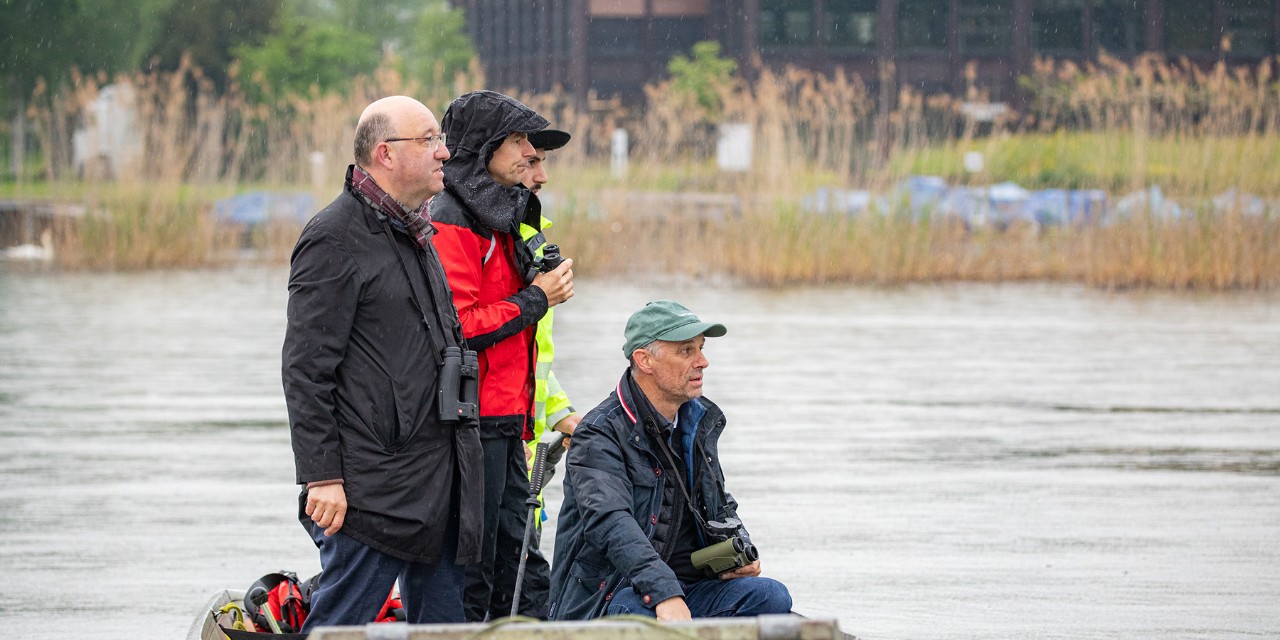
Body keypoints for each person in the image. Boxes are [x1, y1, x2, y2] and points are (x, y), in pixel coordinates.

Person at [281, 95, 483, 630]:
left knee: (442, 631)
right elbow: (305, 369)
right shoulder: (333, 237)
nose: (444, 152)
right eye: (429, 141)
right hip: (372, 493)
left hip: (441, 482)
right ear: (384, 154)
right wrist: (322, 476)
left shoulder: (417, 232)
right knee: (340, 627)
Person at [547, 301, 793, 621]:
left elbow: (720, 503)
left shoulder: (697, 422)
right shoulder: (598, 433)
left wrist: (740, 549)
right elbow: (610, 523)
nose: (702, 361)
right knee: (637, 612)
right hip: (611, 595)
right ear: (644, 360)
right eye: (686, 351)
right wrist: (663, 593)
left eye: (701, 349)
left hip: (689, 587)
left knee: (771, 596)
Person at [429, 90, 575, 622]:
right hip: (473, 423)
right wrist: (539, 297)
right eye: (518, 143)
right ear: (483, 145)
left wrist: (553, 409)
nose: (530, 158)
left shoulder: (505, 214)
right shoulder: (451, 217)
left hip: (511, 419)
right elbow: (460, 327)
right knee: (478, 565)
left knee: (522, 565)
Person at [512, 128, 581, 619]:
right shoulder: (495, 240)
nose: (544, 175)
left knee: (528, 579)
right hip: (501, 449)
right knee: (520, 587)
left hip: (528, 454)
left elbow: (534, 362)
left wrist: (565, 417)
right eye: (532, 163)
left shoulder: (532, 238)